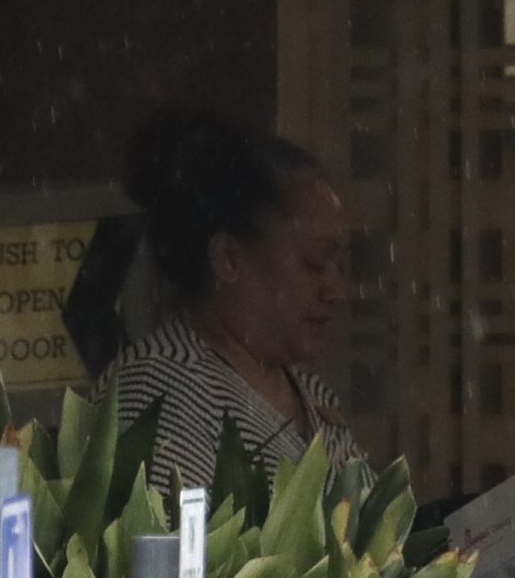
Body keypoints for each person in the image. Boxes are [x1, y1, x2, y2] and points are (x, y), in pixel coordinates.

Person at [99, 109, 366, 491]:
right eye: (315, 262)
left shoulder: (314, 396)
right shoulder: (157, 394)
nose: (335, 290)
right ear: (228, 258)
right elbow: (163, 545)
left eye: (340, 266)